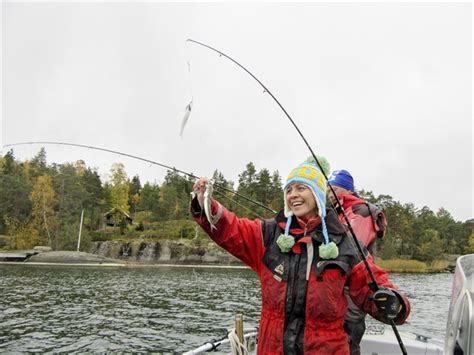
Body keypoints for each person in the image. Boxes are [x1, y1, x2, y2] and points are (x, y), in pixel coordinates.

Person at [191, 160, 410, 355]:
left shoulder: (345, 243)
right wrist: (205, 205)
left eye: (301, 188)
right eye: (289, 190)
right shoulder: (267, 234)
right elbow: (232, 231)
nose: (293, 194)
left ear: (317, 194)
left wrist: (395, 304)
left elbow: (373, 286)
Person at [327, 169, 388, 355]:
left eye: (334, 190)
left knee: (346, 343)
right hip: (337, 292)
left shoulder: (360, 212)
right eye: (328, 190)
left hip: (352, 293)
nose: (329, 194)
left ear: (348, 190)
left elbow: (349, 251)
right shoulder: (338, 212)